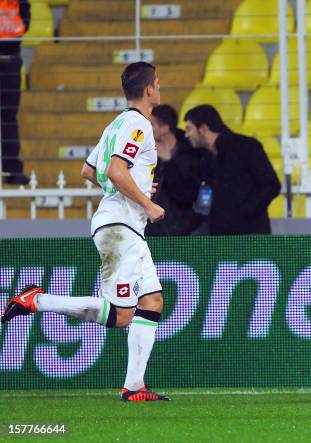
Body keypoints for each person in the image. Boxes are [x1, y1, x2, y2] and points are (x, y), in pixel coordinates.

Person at [2, 62, 170, 402]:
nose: (160, 89)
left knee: (152, 300)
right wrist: (146, 203)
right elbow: (115, 170)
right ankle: (37, 300)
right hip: (122, 225)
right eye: (158, 83)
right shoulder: (139, 124)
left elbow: (88, 170)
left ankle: (135, 386)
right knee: (122, 315)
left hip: (122, 224)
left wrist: (120, 188)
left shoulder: (116, 124)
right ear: (149, 90)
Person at [183, 104, 281, 235]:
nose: (186, 135)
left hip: (251, 237)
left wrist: (243, 212)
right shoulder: (205, 158)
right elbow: (205, 197)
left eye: (189, 129)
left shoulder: (247, 147)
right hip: (220, 239)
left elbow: (271, 185)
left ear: (203, 129)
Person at [145, 104, 205, 236]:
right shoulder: (145, 153)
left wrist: (168, 162)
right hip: (150, 229)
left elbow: (187, 193)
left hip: (180, 231)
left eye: (151, 124)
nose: (146, 129)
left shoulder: (192, 154)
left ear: (165, 129)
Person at [0, 0, 29, 184]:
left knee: (8, 116)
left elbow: (26, 16)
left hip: (11, 57)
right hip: (11, 57)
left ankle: (12, 170)